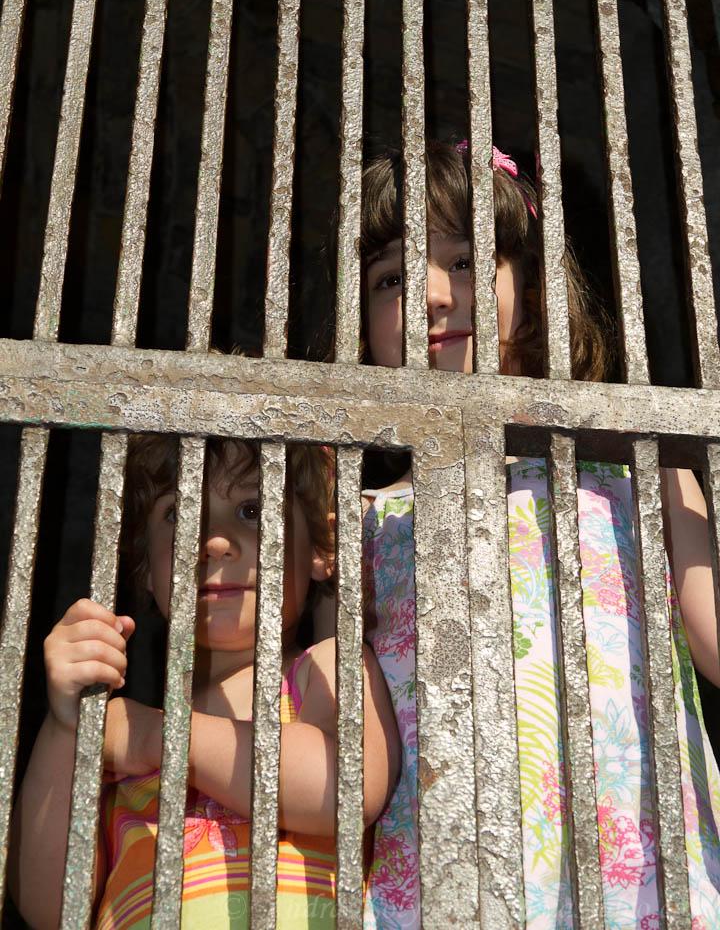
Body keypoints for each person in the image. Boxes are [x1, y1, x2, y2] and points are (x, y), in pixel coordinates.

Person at [359, 139, 720, 927]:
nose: (431, 295)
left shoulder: (638, 471)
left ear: (528, 281)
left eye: (465, 262)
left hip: (642, 882)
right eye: (391, 278)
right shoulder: (360, 518)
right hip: (444, 886)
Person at [9, 436, 400, 929]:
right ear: (146, 565)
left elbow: (344, 790)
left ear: (324, 550)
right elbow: (47, 906)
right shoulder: (117, 732)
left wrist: (158, 737)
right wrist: (66, 727)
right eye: (179, 513)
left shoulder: (324, 668)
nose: (213, 540)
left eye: (251, 510)